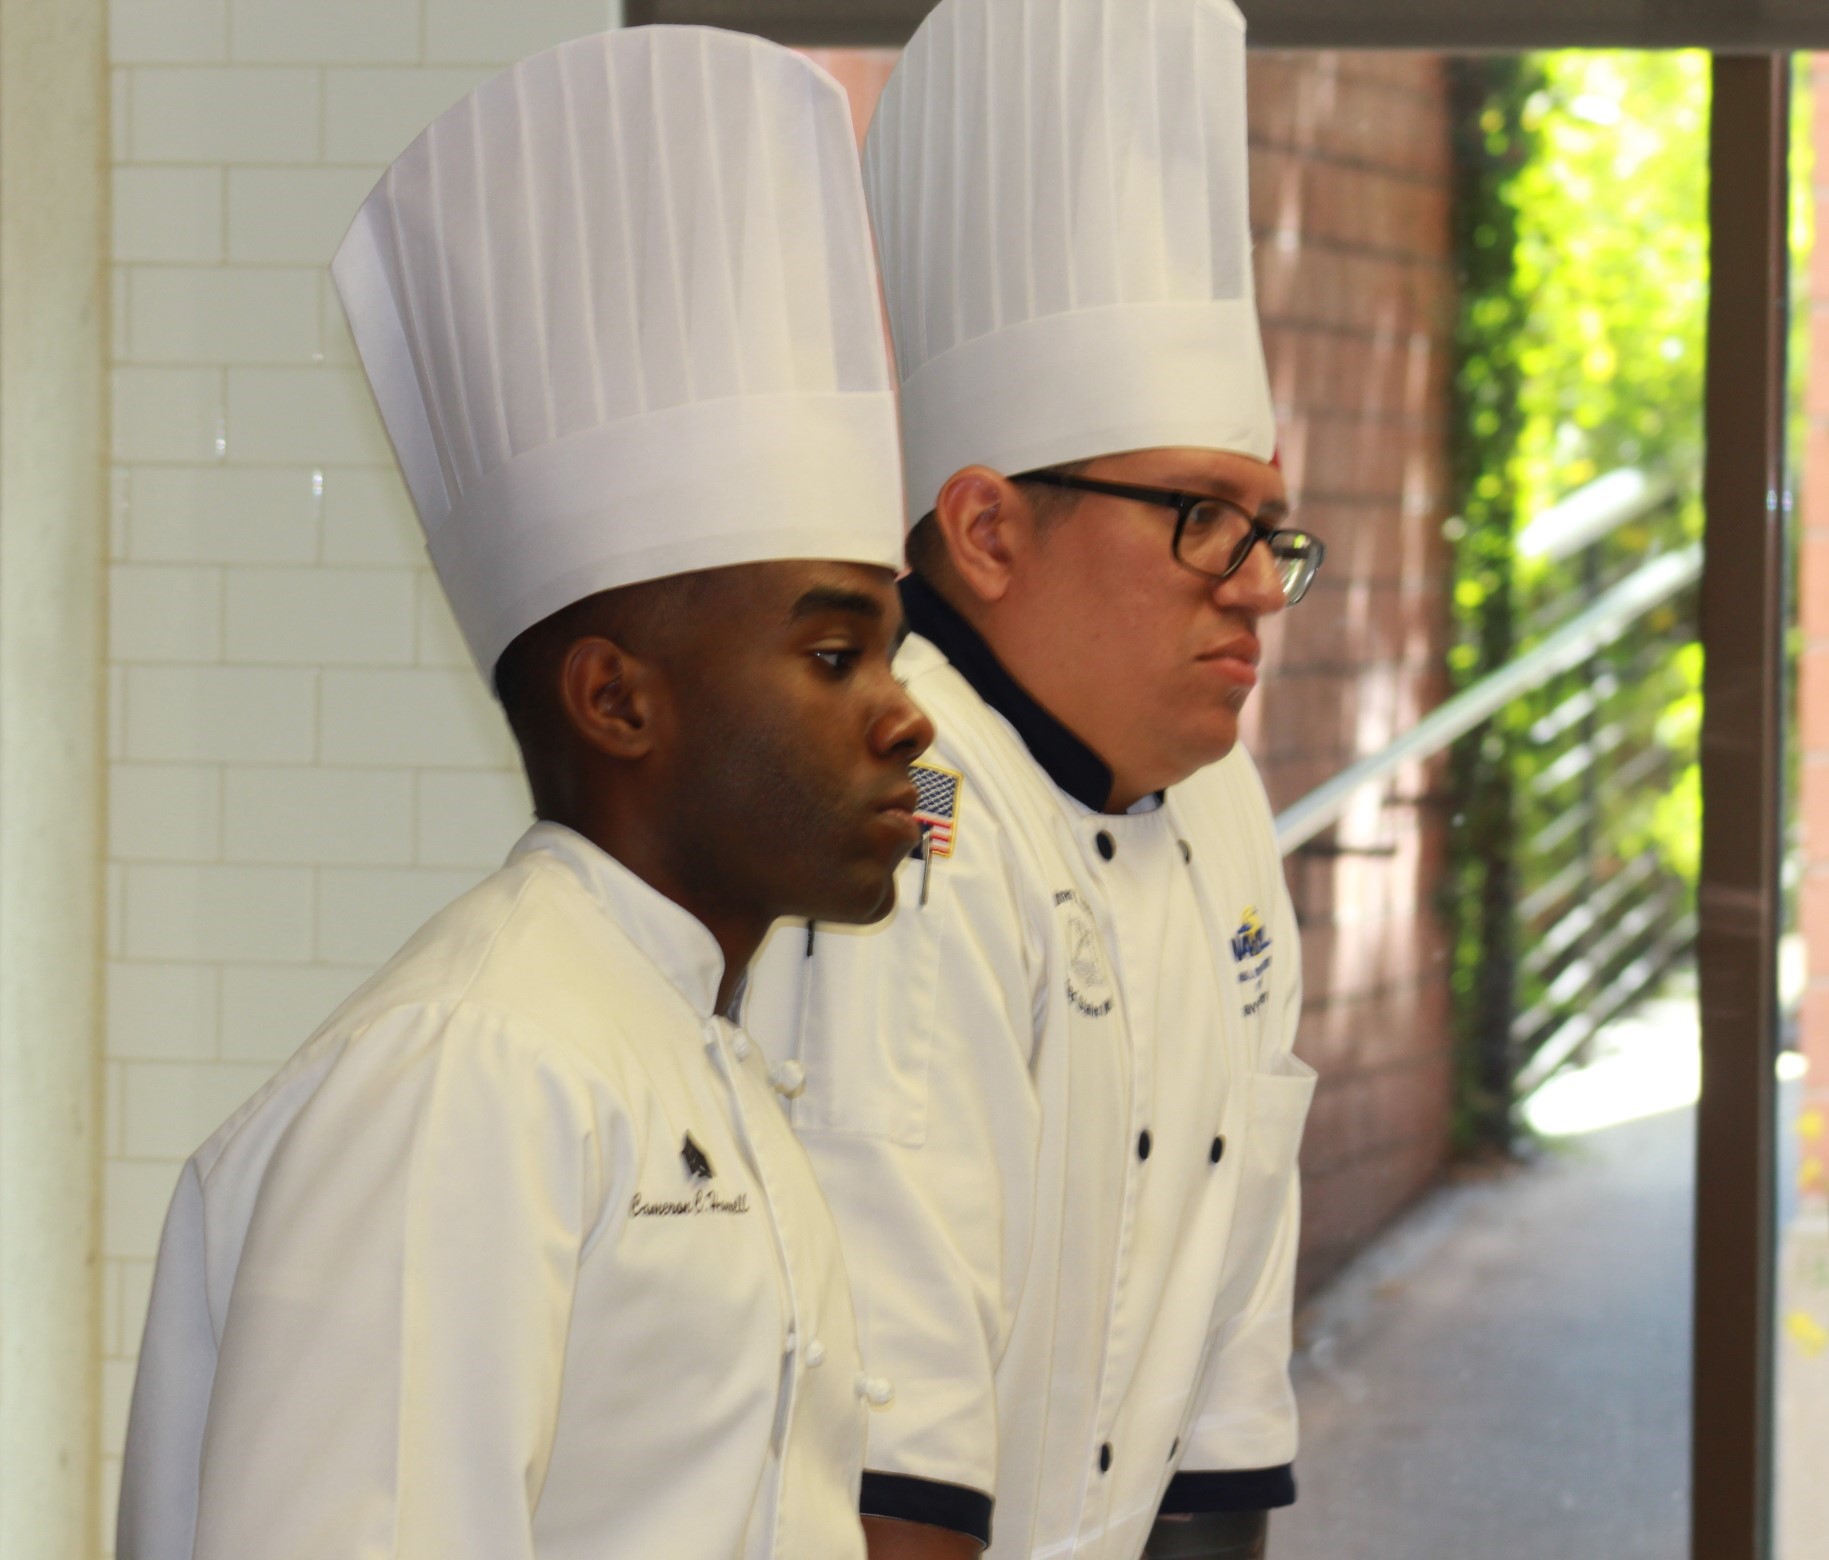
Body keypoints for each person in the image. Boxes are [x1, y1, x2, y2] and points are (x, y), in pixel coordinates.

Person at [116, 28, 933, 1560]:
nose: (904, 718)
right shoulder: (472, 1071)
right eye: (834, 652)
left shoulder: (689, 1052)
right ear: (616, 699)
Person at [744, 2, 1325, 1557]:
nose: (1258, 585)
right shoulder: (899, 816)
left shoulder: (1213, 804)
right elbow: (891, 1451)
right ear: (989, 531)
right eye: (1200, 517)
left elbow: (1223, 1402)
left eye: (1269, 530)